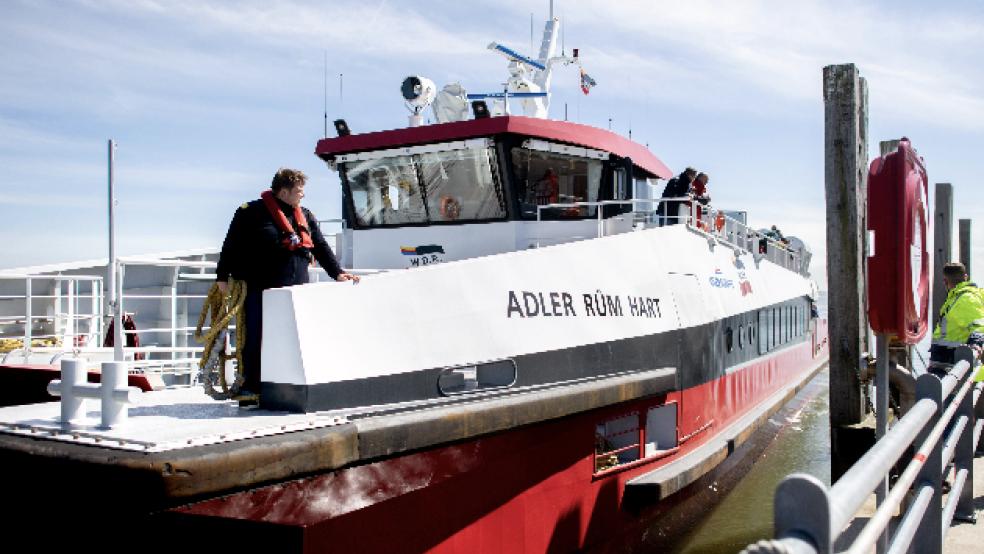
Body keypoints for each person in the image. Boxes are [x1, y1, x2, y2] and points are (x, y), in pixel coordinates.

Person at [216, 168, 360, 403]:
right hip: (261, 289)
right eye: (299, 191)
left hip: (296, 290)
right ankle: (251, 387)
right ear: (284, 192)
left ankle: (290, 387)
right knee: (256, 337)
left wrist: (338, 274)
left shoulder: (305, 215)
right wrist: (222, 276)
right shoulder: (250, 213)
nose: (303, 196)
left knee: (294, 339)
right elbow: (231, 244)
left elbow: (320, 247)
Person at [931, 262, 984, 369]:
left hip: (954, 365)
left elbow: (978, 326)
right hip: (948, 363)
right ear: (966, 277)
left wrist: (977, 344)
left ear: (945, 281)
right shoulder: (956, 297)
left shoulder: (966, 298)